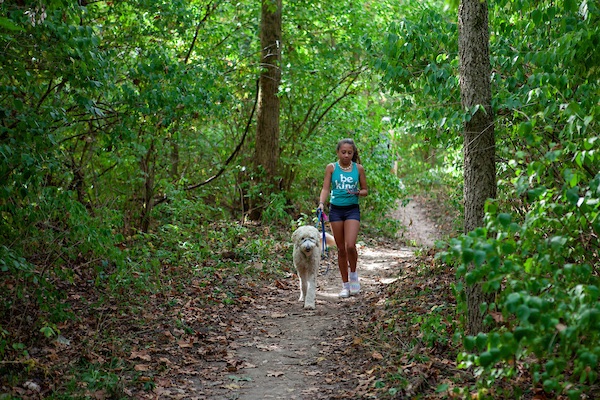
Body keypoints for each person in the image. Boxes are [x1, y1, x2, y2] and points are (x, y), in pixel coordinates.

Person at [317, 138, 368, 298]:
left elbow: (365, 190)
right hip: (336, 210)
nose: (346, 155)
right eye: (343, 152)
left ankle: (353, 275)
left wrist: (358, 193)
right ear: (338, 152)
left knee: (350, 246)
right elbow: (326, 188)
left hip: (352, 209)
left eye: (349, 153)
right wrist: (321, 203)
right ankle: (345, 285)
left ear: (353, 154)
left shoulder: (358, 168)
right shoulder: (331, 168)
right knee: (341, 249)